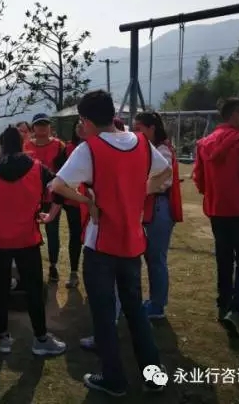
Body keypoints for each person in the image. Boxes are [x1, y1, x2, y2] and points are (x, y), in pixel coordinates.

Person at [51, 90, 171, 396]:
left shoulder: (89, 149)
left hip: (101, 245)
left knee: (104, 316)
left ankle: (114, 379)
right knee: (135, 311)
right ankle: (153, 376)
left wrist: (87, 201)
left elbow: (58, 185)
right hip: (132, 243)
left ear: (86, 120)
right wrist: (139, 192)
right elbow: (166, 172)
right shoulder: (141, 142)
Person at [0, 126, 67, 356]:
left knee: (0, 288)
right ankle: (40, 338)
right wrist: (51, 215)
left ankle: (3, 338)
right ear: (22, 143)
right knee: (34, 290)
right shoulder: (37, 168)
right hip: (27, 239)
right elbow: (59, 189)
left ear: (2, 145)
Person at [192, 97, 239, 337]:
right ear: (234, 115)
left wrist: (214, 193)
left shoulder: (204, 143)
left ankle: (223, 304)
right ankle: (236, 310)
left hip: (217, 210)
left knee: (224, 259)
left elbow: (199, 178)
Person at [134, 111, 184, 320]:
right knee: (152, 257)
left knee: (156, 258)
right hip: (153, 206)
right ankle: (155, 301)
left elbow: (163, 181)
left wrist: (135, 188)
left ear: (151, 128)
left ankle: (157, 305)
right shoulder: (153, 148)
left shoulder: (162, 149)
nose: (136, 133)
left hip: (159, 206)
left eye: (139, 129)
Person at [24, 113, 67, 282]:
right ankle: (31, 266)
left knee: (53, 232)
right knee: (30, 232)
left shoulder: (59, 146)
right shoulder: (26, 146)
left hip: (52, 197)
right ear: (33, 127)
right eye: (38, 124)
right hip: (31, 197)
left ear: (50, 127)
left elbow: (64, 169)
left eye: (45, 124)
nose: (42, 127)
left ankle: (53, 266)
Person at [62, 120, 86, 288]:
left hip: (91, 201)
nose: (80, 129)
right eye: (78, 126)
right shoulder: (68, 148)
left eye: (83, 126)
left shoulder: (96, 146)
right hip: (73, 201)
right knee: (75, 237)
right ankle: (74, 272)